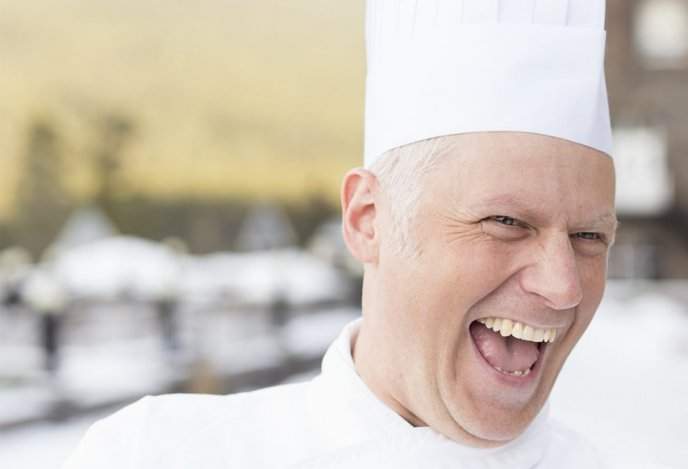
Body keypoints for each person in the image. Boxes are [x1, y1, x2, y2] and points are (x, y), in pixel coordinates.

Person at [63, 0, 617, 467]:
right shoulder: (161, 455)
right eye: (506, 223)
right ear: (367, 219)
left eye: (590, 237)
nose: (563, 285)